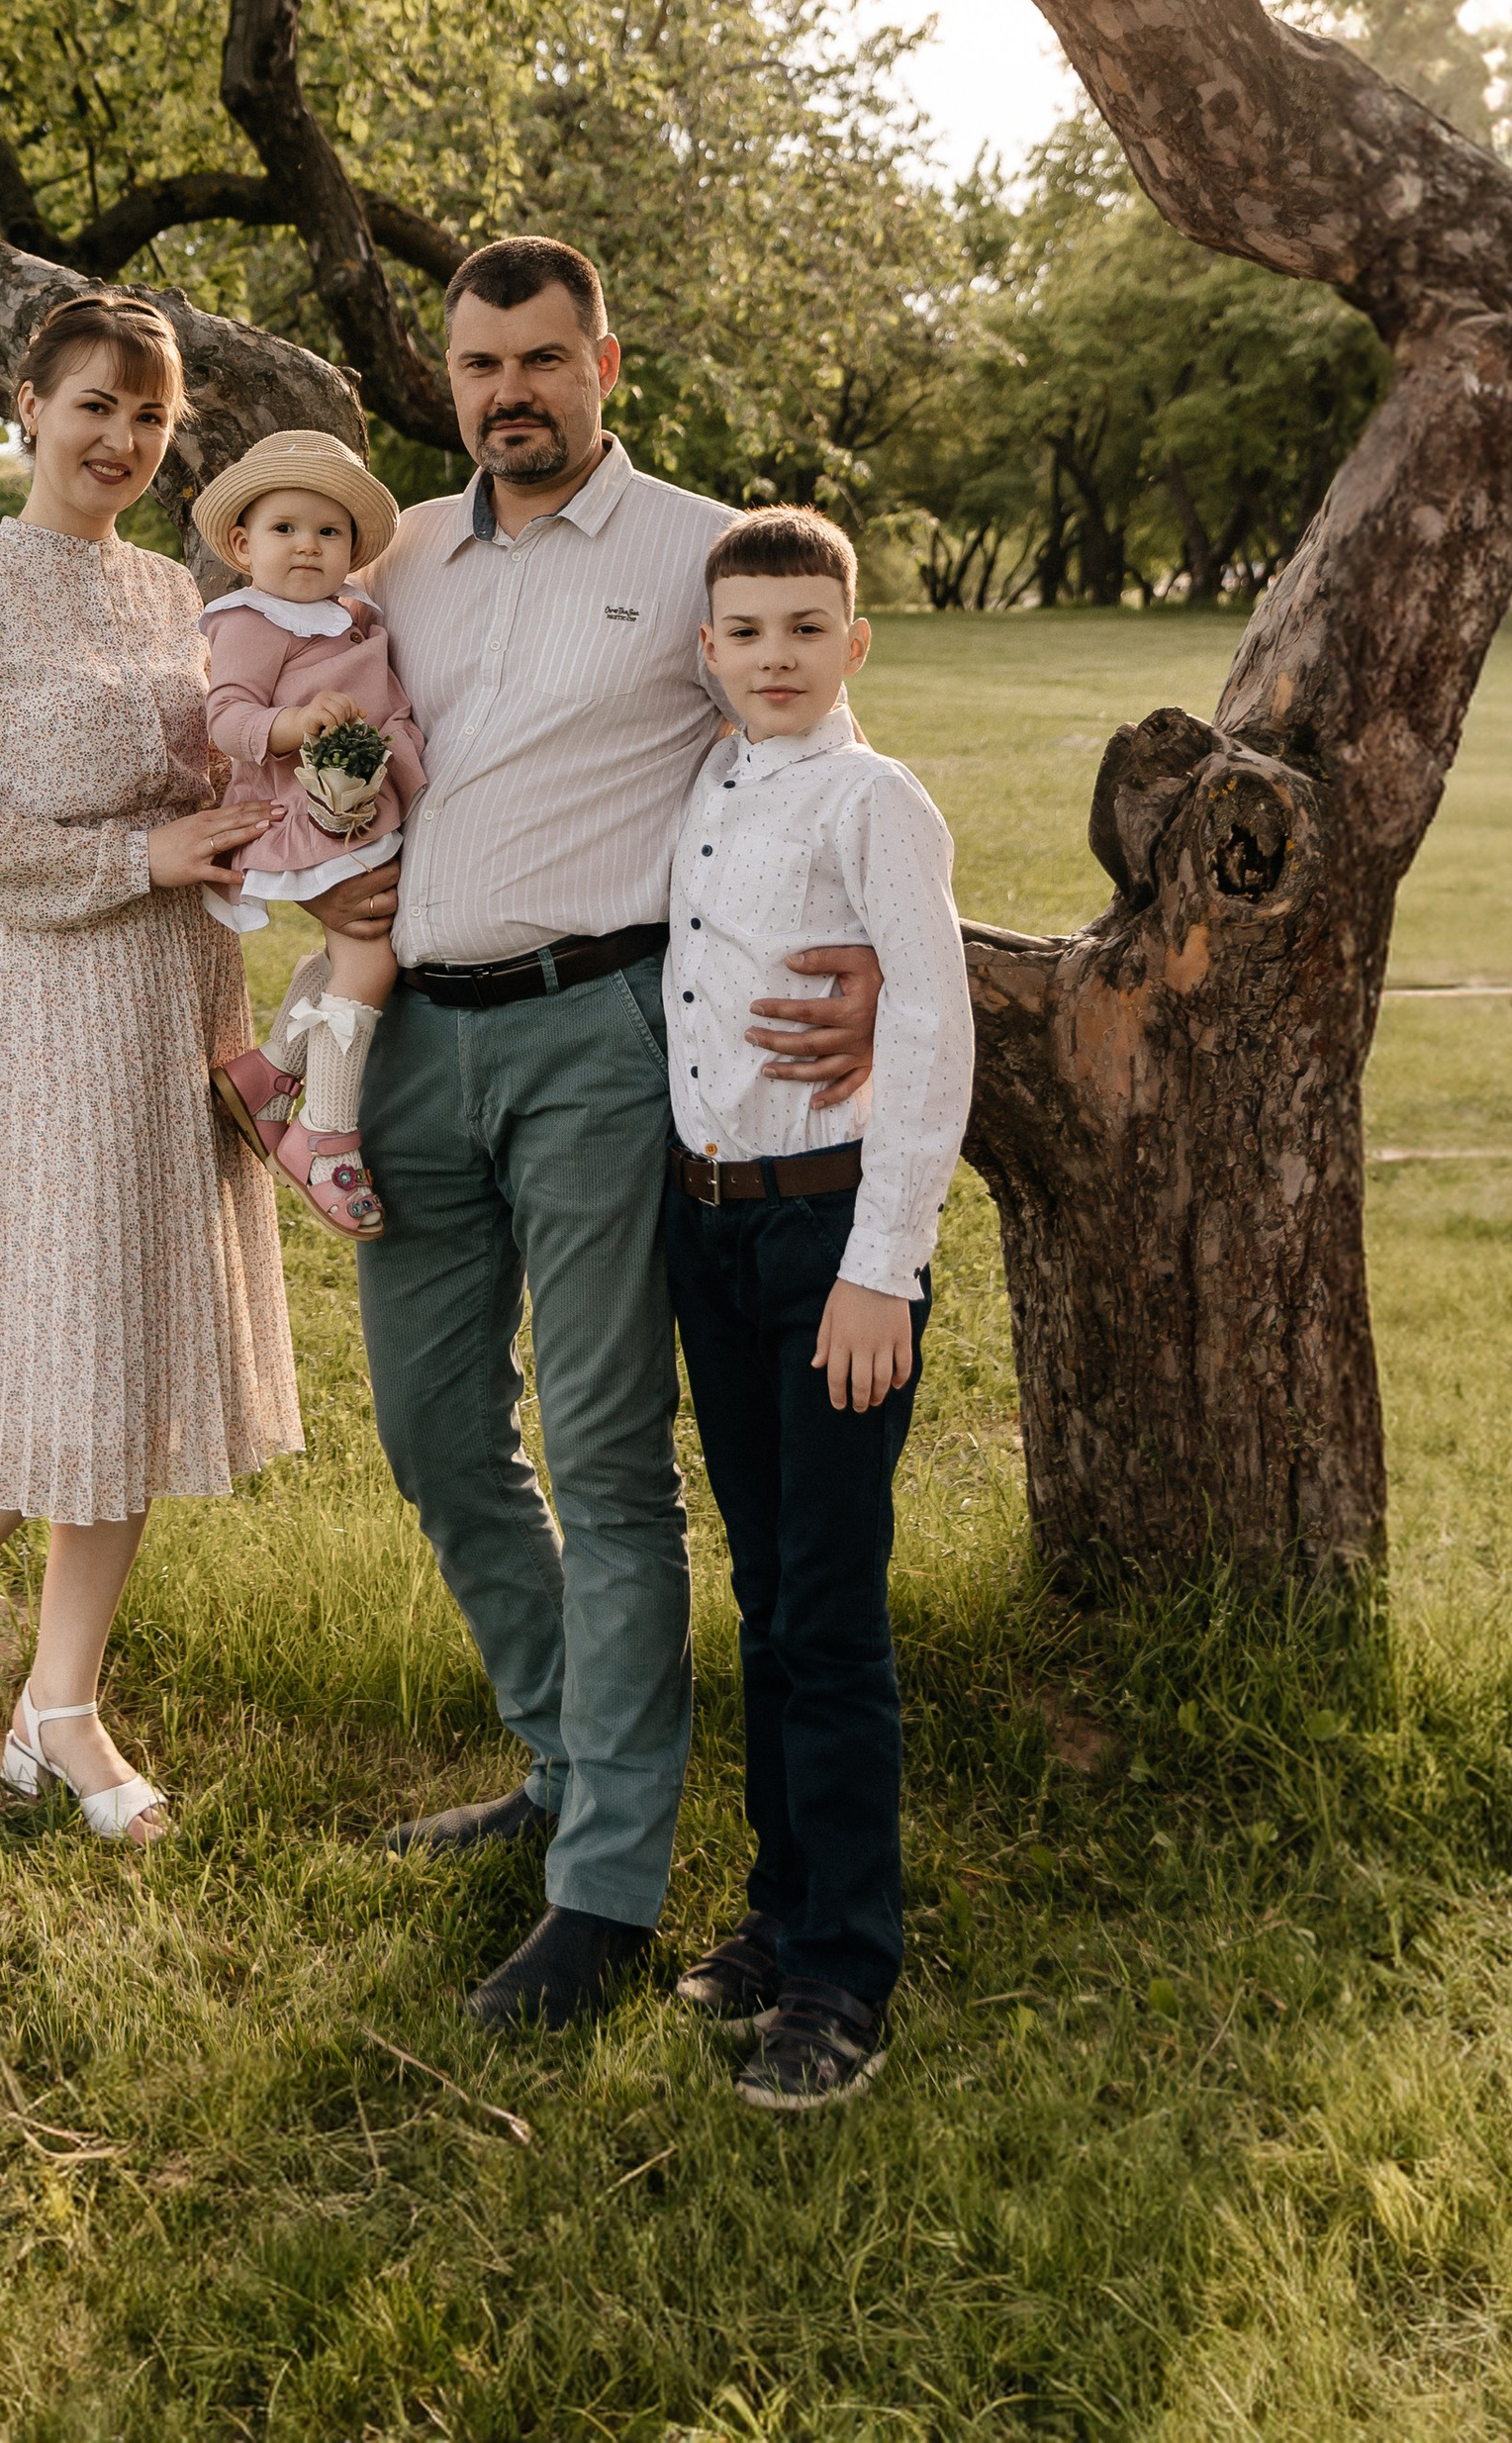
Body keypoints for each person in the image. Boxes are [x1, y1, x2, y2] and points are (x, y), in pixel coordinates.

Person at [328, 237, 882, 2029]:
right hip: (414, 1036)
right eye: (482, 365)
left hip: (601, 1036)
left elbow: (821, 769)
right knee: (429, 1428)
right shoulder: (400, 555)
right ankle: (563, 1749)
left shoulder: (699, 555)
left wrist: (868, 964)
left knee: (606, 1454)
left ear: (606, 365)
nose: (512, 394)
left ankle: (609, 1889)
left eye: (544, 360)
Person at [0, 290, 294, 1845]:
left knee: (137, 1357)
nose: (123, 438)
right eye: (97, 404)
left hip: (183, 1002)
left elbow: (235, 770)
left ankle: (62, 1707)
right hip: (54, 1015)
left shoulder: (184, 597)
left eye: (153, 416)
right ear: (28, 406)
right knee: (59, 1348)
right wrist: (140, 851)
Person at [662, 507, 973, 2114]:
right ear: (705, 653)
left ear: (851, 643)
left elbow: (927, 1018)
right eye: (745, 631)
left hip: (826, 1244)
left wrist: (882, 1261)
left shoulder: (875, 797)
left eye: (803, 628)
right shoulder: (709, 780)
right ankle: (780, 1913)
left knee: (833, 1612)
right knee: (768, 1589)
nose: (774, 656)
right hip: (706, 1236)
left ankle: (847, 1965)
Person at [191, 431, 426, 1244]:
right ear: (240, 543)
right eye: (285, 528)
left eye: (328, 532)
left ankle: (264, 1076)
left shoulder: (349, 614)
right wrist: (292, 724)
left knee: (345, 957)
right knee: (371, 957)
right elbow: (223, 715)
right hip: (306, 813)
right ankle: (325, 1136)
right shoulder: (252, 619)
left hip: (352, 805)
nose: (307, 545)